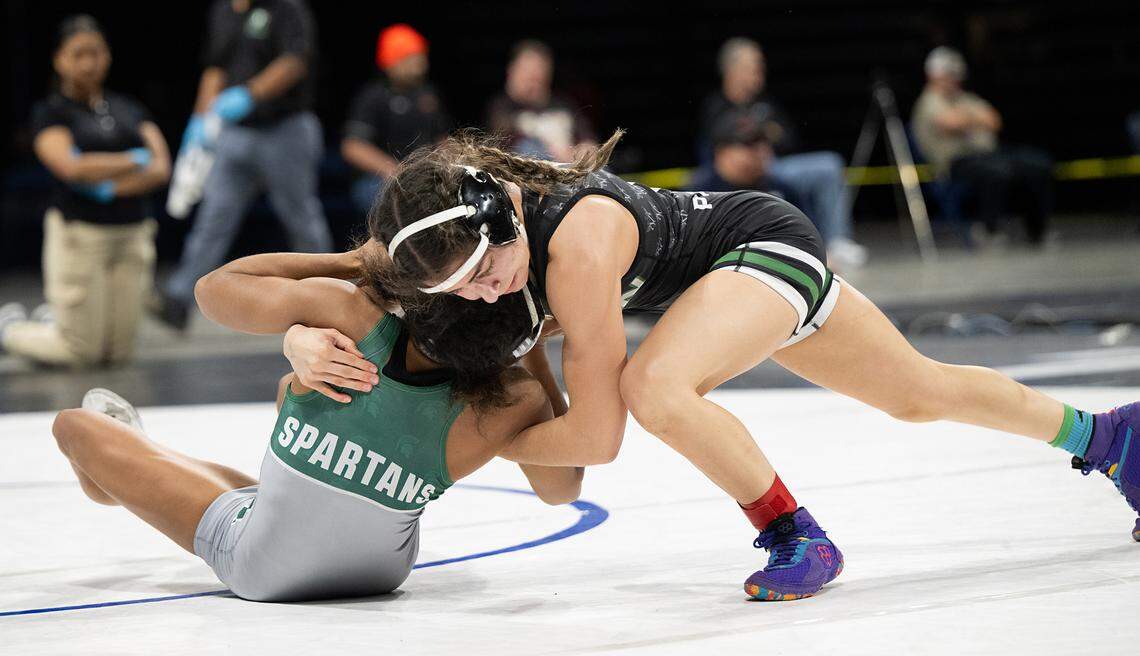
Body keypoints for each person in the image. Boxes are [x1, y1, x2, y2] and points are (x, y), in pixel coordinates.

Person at [282, 132, 1139, 602]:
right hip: (733, 272)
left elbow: (599, 439)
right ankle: (1110, 437)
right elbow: (223, 287)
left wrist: (449, 437)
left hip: (761, 247)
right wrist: (297, 339)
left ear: (504, 218)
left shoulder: (574, 253)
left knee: (653, 386)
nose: (478, 298)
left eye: (483, 276)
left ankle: (793, 534)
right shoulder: (456, 239)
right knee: (922, 393)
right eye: (459, 290)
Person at [50, 243, 582, 602]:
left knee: (73, 426)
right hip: (384, 570)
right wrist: (531, 353)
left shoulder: (352, 316)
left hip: (264, 566)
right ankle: (155, 467)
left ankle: (118, 476)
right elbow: (562, 488)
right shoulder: (516, 397)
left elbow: (214, 288)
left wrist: (356, 261)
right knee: (289, 408)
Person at [0, 15, 170, 367]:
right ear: (59, 59)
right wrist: (130, 159)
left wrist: (106, 181)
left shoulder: (127, 107)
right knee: (81, 352)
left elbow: (160, 166)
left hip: (131, 234)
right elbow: (70, 167)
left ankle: (54, 321)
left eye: (96, 53)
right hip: (82, 235)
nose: (89, 63)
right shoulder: (51, 112)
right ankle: (10, 328)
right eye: (78, 54)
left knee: (119, 353)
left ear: (107, 56)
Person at [155, 0, 333, 330]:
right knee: (213, 217)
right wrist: (200, 118)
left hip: (286, 128)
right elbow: (215, 69)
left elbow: (295, 61)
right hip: (235, 133)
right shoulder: (223, 11)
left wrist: (249, 94)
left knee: (301, 217)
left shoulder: (287, 8)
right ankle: (180, 298)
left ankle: (331, 294)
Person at [700, 37, 866, 269]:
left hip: (772, 165)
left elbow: (787, 138)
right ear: (733, 70)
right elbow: (720, 145)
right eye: (753, 67)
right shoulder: (716, 105)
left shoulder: (764, 103)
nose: (759, 72)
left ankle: (837, 240)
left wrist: (763, 137)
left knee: (828, 165)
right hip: (736, 172)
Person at [911, 47, 1054, 245]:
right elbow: (952, 123)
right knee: (997, 171)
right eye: (949, 74)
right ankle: (989, 229)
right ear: (934, 74)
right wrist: (975, 119)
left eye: (956, 74)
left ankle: (1037, 230)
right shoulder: (929, 101)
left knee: (1037, 164)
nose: (954, 78)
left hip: (987, 154)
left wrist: (966, 119)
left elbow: (995, 121)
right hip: (954, 163)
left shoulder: (964, 98)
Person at [341, 24, 451, 217]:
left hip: (425, 177)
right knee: (405, 202)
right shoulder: (372, 97)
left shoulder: (428, 95)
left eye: (420, 56)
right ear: (392, 61)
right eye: (411, 57)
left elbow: (442, 140)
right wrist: (396, 171)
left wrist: (449, 166)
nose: (420, 63)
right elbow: (352, 147)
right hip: (380, 180)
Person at [486, 40, 596, 161]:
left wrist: (584, 149)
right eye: (528, 72)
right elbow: (503, 136)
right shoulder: (501, 106)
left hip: (571, 166)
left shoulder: (563, 105)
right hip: (532, 169)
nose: (533, 79)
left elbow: (586, 137)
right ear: (513, 71)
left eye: (538, 73)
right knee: (529, 147)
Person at [687, 108, 796, 202]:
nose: (761, 151)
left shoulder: (779, 188)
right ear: (722, 153)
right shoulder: (699, 194)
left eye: (764, 142)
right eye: (749, 144)